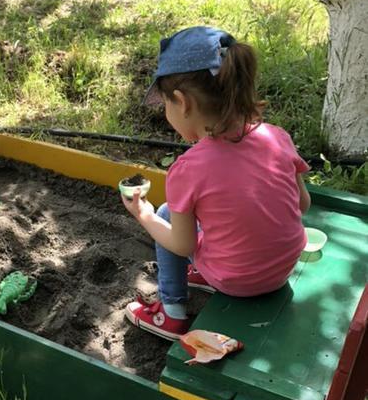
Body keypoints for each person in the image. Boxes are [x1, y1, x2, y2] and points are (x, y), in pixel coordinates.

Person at [122, 25, 310, 341]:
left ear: (182, 102)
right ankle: (204, 271)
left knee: (166, 213)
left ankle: (171, 313)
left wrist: (143, 214)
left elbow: (183, 245)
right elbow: (302, 204)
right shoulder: (278, 137)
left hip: (235, 279)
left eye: (166, 104)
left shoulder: (188, 169)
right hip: (283, 268)